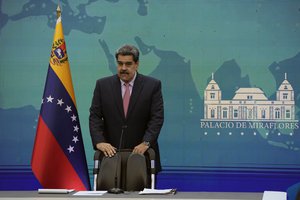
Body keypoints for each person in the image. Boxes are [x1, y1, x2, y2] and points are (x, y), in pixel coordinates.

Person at [89, 44, 164, 172]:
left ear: (136, 64)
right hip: (110, 157)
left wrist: (146, 142)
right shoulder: (102, 85)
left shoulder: (152, 85)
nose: (123, 68)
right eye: (120, 63)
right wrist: (99, 142)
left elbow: (157, 118)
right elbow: (95, 116)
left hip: (142, 156)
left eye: (128, 64)